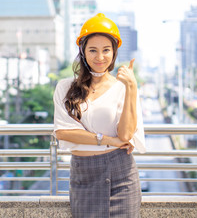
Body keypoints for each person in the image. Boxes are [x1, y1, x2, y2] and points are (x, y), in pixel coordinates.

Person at [53, 13, 146, 218]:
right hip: (83, 173)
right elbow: (63, 132)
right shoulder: (65, 87)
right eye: (93, 50)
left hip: (121, 174)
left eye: (106, 50)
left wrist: (131, 87)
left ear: (114, 53)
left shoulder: (123, 87)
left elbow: (126, 135)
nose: (100, 57)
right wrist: (107, 140)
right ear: (83, 51)